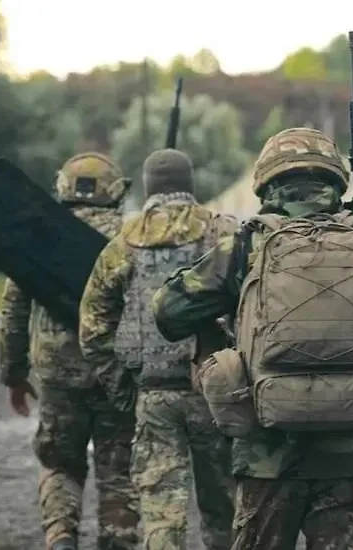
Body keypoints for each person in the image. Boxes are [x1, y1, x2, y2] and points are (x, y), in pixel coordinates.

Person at [151, 127, 353, 550]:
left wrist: (222, 333)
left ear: (267, 181)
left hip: (267, 456)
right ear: (335, 181)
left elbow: (168, 313)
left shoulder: (245, 246)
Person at [78, 148, 237, 550]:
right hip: (215, 393)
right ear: (190, 184)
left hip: (153, 395)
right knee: (225, 507)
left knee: (162, 513)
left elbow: (93, 326)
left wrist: (122, 387)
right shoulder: (223, 233)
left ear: (149, 187)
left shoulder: (124, 243)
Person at [0, 153, 139, 550]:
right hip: (116, 371)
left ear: (63, 187)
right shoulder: (131, 237)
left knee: (59, 461)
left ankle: (61, 536)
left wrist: (14, 373)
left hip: (57, 373)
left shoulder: (38, 234)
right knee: (119, 467)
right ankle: (118, 538)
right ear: (115, 189)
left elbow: (13, 311)